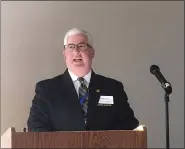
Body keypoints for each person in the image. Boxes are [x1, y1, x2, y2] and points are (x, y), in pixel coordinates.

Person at [27, 28, 139, 132]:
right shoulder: (46, 89)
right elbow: (36, 127)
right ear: (65, 54)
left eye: (82, 46)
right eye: (70, 47)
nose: (76, 51)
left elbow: (129, 125)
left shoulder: (113, 88)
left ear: (92, 52)